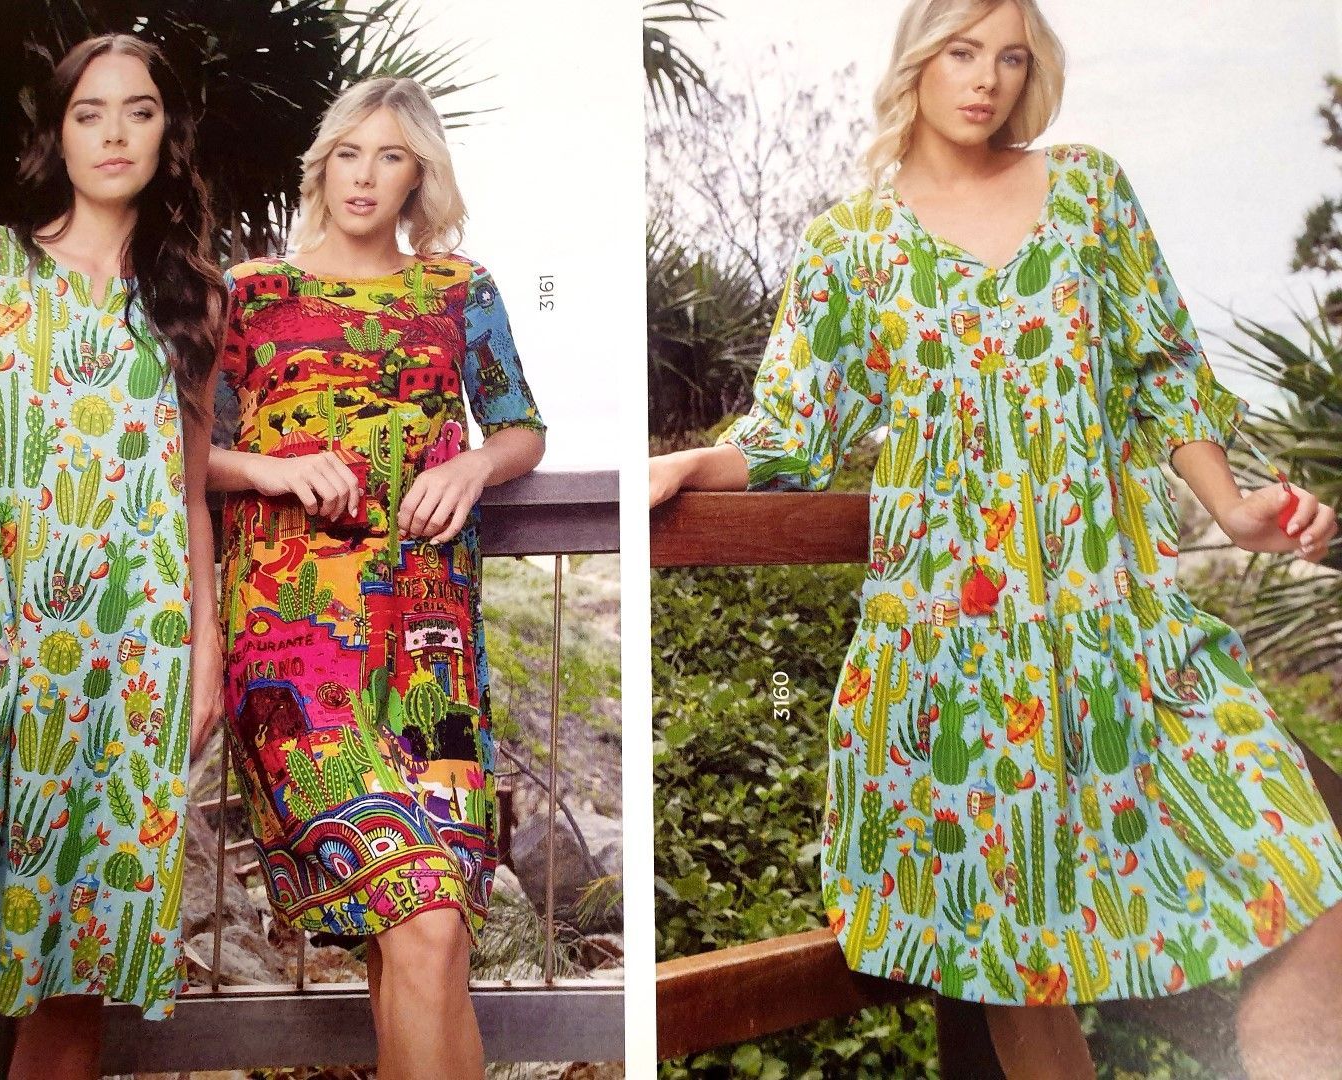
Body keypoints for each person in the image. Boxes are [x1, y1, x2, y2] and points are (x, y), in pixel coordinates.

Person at [649, 2, 1342, 1076]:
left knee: (1303, 861)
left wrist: (1241, 507)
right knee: (1015, 967)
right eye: (963, 53)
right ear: (919, 61)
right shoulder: (850, 243)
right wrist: (695, 464)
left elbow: (1162, 371)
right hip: (951, 657)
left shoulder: (1088, 192)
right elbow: (796, 425)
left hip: (1117, 623)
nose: (987, 81)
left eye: (1011, 57)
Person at [209, 76, 545, 1080]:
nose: (365, 175)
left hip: (431, 643)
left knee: (428, 936)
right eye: (349, 153)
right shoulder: (252, 292)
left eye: (390, 156)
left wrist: (474, 464)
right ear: (323, 163)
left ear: (419, 174)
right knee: (427, 922)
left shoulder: (459, 289)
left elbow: (521, 423)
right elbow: (182, 452)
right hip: (295, 645)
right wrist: (270, 467)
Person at [0, 33, 224, 1080]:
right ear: (59, 132)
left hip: (131, 668)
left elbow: (186, 494)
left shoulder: (192, 296)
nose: (114, 133)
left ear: (167, 131)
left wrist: (206, 659)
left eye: (137, 110)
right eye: (89, 113)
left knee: (75, 962)